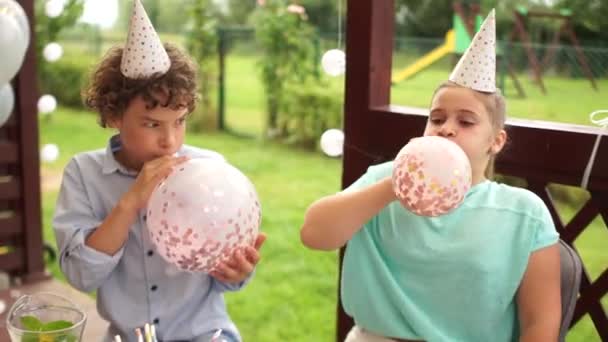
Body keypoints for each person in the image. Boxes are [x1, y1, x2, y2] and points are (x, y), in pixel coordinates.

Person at [300, 10, 560, 342]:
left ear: (496, 141)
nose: (447, 129)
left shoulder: (524, 212)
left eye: (465, 122)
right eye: (437, 119)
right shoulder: (385, 181)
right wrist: (394, 186)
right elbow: (314, 233)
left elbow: (541, 323)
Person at [53, 1, 265, 341]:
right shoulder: (84, 174)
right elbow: (80, 275)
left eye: (179, 122)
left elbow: (223, 277)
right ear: (114, 117)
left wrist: (235, 271)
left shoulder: (208, 172)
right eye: (152, 124)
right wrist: (130, 201)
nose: (169, 141)